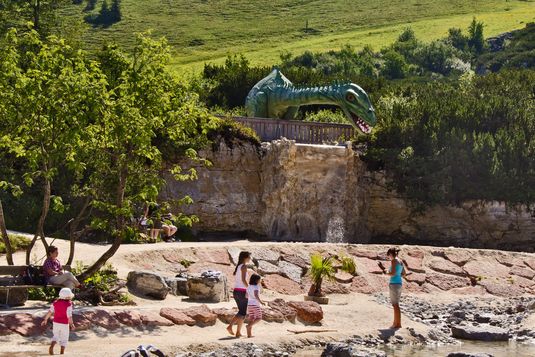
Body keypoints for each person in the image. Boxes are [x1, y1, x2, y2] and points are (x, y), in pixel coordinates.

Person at [378, 247, 407, 329]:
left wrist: (385, 272)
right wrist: (385, 269)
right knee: (396, 304)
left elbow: (392, 273)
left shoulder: (394, 261)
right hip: (399, 283)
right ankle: (397, 323)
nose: (389, 257)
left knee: (395, 305)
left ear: (391, 254)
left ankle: (396, 324)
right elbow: (404, 274)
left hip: (394, 284)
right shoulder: (400, 261)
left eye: (389, 255)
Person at [41, 287, 75, 355]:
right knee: (64, 338)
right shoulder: (69, 304)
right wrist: (71, 324)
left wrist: (45, 319)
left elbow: (50, 312)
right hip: (64, 324)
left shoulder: (55, 303)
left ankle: (52, 346)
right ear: (68, 296)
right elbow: (69, 316)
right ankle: (62, 352)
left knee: (56, 336)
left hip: (56, 322)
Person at [226, 251, 251, 337]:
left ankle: (238, 332)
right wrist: (250, 289)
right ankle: (230, 326)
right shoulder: (243, 266)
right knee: (242, 312)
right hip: (242, 292)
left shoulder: (239, 266)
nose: (250, 258)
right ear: (245, 257)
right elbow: (244, 280)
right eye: (249, 257)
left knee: (242, 313)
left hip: (236, 291)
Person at [245, 274, 265, 338]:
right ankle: (248, 326)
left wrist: (251, 297)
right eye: (260, 279)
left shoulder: (248, 286)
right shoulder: (256, 287)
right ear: (256, 280)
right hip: (255, 304)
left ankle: (249, 334)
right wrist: (261, 302)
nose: (260, 280)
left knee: (251, 318)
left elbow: (246, 296)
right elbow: (256, 295)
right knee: (259, 318)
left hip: (249, 304)